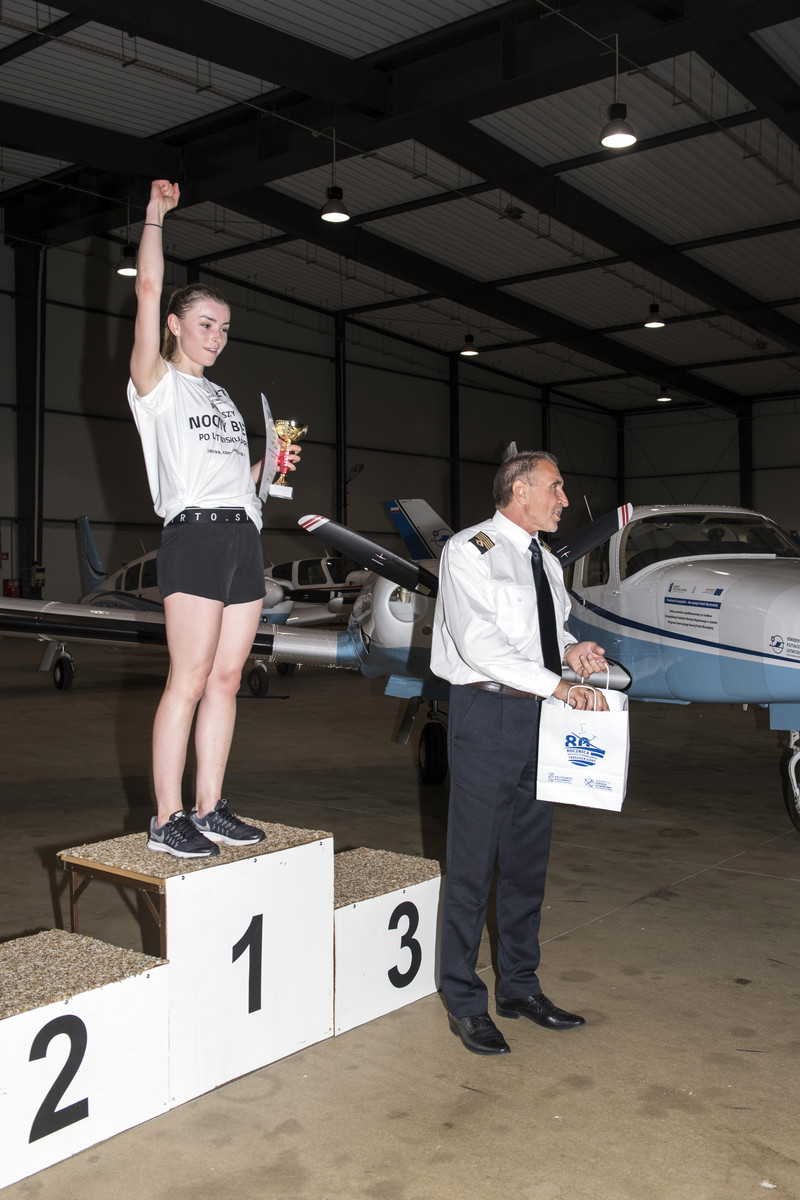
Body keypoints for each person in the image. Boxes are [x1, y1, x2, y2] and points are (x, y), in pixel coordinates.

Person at [128, 179, 300, 859]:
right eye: (206, 324)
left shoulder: (223, 396)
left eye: (225, 329)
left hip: (241, 536)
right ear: (174, 325)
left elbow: (234, 479)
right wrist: (155, 216)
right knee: (189, 679)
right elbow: (148, 287)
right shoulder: (157, 385)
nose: (218, 337)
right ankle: (166, 817)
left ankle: (210, 807)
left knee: (227, 679)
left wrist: (271, 465)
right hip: (194, 537)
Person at [431, 450, 608, 1055]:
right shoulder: (469, 551)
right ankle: (463, 999)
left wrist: (571, 650)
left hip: (540, 715)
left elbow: (542, 634)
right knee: (473, 864)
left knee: (527, 863)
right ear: (521, 490)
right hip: (488, 714)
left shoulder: (546, 561)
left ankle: (519, 986)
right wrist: (557, 684)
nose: (564, 499)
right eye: (555, 487)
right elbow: (480, 643)